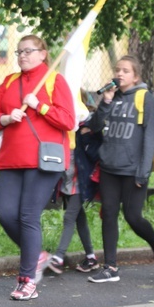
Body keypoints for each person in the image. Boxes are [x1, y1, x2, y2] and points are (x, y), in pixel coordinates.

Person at [0, 34, 76, 300]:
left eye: (29, 51)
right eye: (19, 51)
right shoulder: (10, 81)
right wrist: (6, 117)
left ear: (43, 53)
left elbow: (69, 120)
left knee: (27, 216)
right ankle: (37, 255)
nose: (23, 56)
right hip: (12, 159)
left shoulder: (54, 80)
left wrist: (42, 107)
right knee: (5, 213)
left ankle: (27, 281)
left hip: (43, 161)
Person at [86, 55, 154, 284]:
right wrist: (105, 102)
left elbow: (152, 137)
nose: (120, 74)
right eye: (117, 70)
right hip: (109, 167)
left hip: (133, 169)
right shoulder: (111, 97)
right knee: (109, 215)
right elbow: (94, 127)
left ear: (135, 76)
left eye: (125, 71)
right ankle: (110, 267)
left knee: (133, 216)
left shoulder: (146, 99)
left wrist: (143, 172)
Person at [46, 117, 101, 275]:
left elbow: (92, 151)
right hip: (67, 181)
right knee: (79, 218)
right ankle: (91, 258)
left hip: (80, 181)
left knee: (69, 217)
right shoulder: (61, 125)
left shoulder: (84, 127)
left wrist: (85, 132)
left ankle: (58, 258)